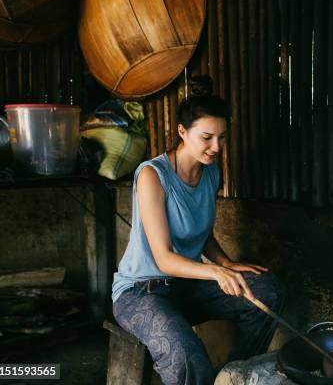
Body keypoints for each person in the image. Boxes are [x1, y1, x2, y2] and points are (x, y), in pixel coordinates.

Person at [111, 76, 285, 385]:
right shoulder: (153, 175)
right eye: (207, 137)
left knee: (267, 292)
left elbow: (201, 232)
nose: (216, 147)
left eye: (222, 137)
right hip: (140, 293)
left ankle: (233, 376)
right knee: (184, 354)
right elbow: (163, 259)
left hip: (183, 287)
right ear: (182, 131)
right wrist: (217, 273)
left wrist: (227, 263)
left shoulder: (210, 172)